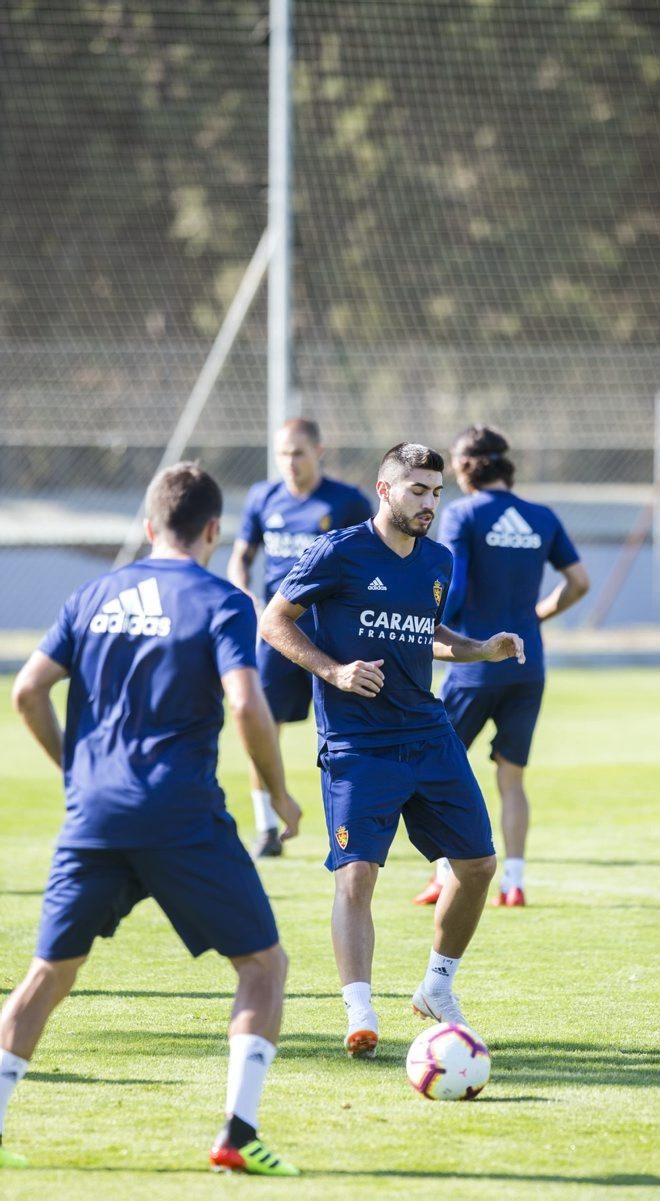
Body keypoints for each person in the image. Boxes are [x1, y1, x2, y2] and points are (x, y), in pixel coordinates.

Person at [0, 463, 302, 1176]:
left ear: (147, 526)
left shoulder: (94, 593)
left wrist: (78, 770)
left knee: (47, 975)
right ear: (211, 530)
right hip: (179, 813)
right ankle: (238, 1130)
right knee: (263, 965)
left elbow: (27, 691)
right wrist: (278, 792)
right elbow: (247, 704)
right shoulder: (221, 599)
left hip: (93, 816)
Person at [260, 442, 524, 1059]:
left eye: (436, 492)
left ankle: (437, 986)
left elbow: (424, 633)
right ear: (385, 490)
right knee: (356, 877)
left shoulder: (438, 561)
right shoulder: (340, 550)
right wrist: (334, 672)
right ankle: (359, 1009)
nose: (430, 503)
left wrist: (481, 650)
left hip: (428, 736)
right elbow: (274, 622)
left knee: (480, 866)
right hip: (357, 743)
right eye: (417, 491)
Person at [413, 425, 589, 910]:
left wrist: (429, 629)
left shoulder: (464, 515)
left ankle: (444, 872)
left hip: (476, 666)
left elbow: (457, 587)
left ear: (466, 468)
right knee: (511, 779)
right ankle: (514, 882)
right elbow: (578, 582)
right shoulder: (541, 517)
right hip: (528, 665)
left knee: (437, 770)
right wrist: (534, 616)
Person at [228, 417, 373, 857]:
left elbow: (374, 555)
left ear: (318, 452)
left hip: (332, 632)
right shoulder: (263, 498)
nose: (289, 462)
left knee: (350, 729)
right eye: (282, 453)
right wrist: (245, 596)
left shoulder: (346, 501)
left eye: (298, 453)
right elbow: (240, 557)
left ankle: (360, 821)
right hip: (279, 634)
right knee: (262, 725)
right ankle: (267, 827)